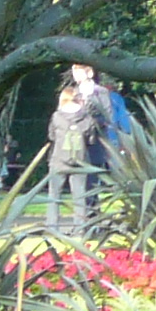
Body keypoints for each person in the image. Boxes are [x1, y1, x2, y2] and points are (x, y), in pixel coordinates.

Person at [48, 73, 109, 231]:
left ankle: (52, 227)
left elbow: (51, 136)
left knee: (54, 195)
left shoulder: (56, 117)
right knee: (79, 197)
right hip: (80, 159)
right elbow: (91, 140)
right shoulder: (88, 119)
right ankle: (79, 228)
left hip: (59, 160)